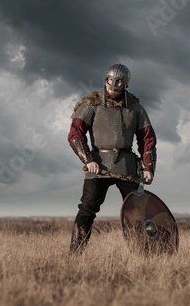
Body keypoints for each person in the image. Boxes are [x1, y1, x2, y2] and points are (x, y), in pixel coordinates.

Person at [68, 64, 157, 253]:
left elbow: (147, 139)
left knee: (136, 213)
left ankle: (141, 253)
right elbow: (75, 134)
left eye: (119, 81)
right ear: (105, 80)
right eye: (111, 80)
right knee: (87, 209)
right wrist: (88, 160)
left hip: (127, 165)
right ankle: (74, 255)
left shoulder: (135, 108)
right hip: (98, 165)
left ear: (125, 84)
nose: (114, 85)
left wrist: (148, 168)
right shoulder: (91, 104)